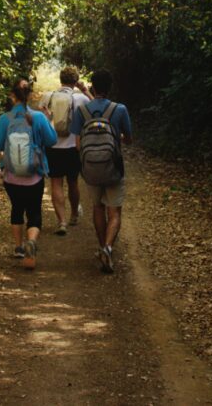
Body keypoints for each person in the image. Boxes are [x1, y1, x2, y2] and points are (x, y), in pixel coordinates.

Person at [0, 77, 57, 269]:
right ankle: (32, 242)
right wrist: (49, 121)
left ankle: (19, 247)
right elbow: (51, 141)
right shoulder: (39, 118)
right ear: (30, 95)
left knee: (17, 209)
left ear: (12, 95)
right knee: (34, 211)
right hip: (34, 176)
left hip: (11, 177)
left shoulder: (5, 119)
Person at [70, 69, 132, 274]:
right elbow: (129, 139)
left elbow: (78, 145)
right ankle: (108, 247)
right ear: (110, 87)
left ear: (93, 87)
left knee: (97, 207)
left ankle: (101, 246)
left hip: (91, 170)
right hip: (114, 168)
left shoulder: (82, 111)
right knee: (114, 211)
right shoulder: (120, 109)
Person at [37, 67, 91, 235]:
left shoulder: (48, 96)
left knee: (56, 183)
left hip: (52, 146)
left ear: (60, 80)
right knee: (73, 182)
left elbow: (42, 118)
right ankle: (74, 214)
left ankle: (61, 222)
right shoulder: (81, 99)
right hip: (73, 147)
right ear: (75, 82)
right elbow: (97, 107)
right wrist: (85, 90)